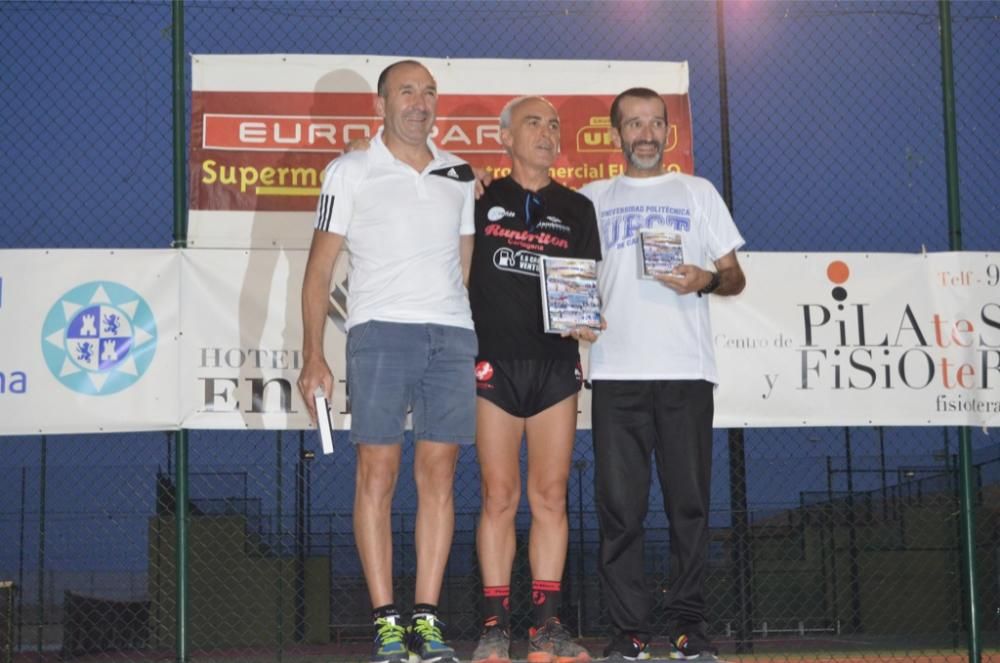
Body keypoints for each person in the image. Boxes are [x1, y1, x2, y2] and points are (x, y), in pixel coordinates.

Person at [297, 59, 477, 663]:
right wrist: (312, 353)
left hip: (451, 338)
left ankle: (426, 619)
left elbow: (465, 262)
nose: (419, 102)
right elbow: (320, 267)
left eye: (429, 92)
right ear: (381, 104)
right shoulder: (348, 170)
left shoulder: (460, 173)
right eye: (406, 91)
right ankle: (385, 623)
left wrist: (458, 318)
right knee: (377, 475)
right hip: (377, 333)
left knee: (440, 478)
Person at [579, 87, 746, 661]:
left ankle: (687, 629)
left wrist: (704, 279)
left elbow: (735, 277)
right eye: (633, 124)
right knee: (620, 511)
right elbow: (572, 279)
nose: (645, 134)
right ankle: (628, 633)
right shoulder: (591, 198)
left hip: (685, 371)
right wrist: (575, 315)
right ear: (616, 133)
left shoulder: (697, 193)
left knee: (689, 507)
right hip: (616, 373)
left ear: (667, 133)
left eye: (655, 123)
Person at [467, 96, 601, 663]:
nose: (546, 133)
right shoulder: (477, 196)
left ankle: (547, 627)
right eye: (533, 123)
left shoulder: (577, 207)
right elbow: (408, 166)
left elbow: (585, 288)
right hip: (492, 364)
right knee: (499, 496)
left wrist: (589, 318)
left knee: (550, 497)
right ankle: (495, 625)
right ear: (504, 136)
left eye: (553, 125)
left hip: (554, 369)